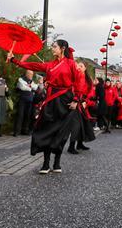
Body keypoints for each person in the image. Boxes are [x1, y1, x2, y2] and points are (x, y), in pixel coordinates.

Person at [7, 40, 83, 174]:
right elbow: (33, 65)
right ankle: (46, 163)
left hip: (66, 100)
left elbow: (78, 83)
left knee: (61, 132)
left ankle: (57, 162)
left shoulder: (71, 64)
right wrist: (15, 60)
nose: (52, 49)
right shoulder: (50, 65)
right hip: (51, 99)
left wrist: (76, 100)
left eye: (54, 47)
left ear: (62, 48)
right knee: (46, 130)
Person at [12, 69, 35, 136]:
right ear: (27, 74)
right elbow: (22, 87)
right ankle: (17, 131)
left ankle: (24, 130)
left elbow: (35, 87)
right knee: (20, 115)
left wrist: (29, 86)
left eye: (32, 74)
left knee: (27, 116)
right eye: (30, 74)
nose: (31, 76)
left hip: (30, 100)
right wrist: (30, 87)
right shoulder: (21, 79)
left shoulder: (31, 81)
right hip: (22, 99)